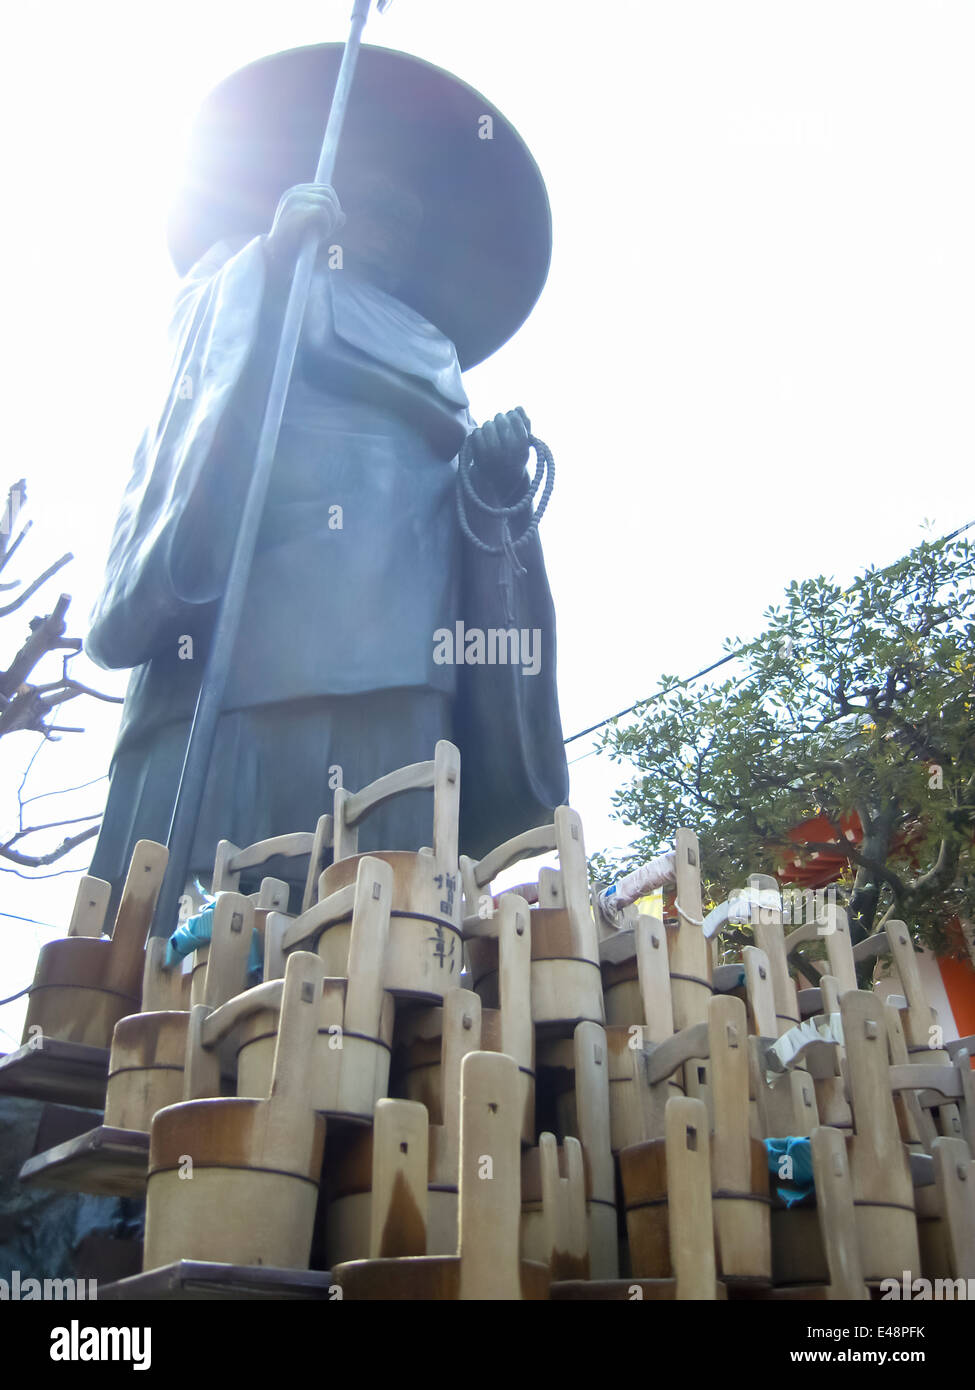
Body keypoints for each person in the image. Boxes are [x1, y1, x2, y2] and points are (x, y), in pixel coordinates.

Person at [85, 43, 568, 903]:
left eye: (406, 219)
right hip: (259, 595)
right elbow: (198, 381)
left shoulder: (433, 345)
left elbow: (451, 475)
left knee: (387, 844)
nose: (388, 226)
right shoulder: (248, 270)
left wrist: (487, 479)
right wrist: (272, 263)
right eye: (375, 203)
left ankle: (373, 978)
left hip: (403, 616)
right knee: (218, 857)